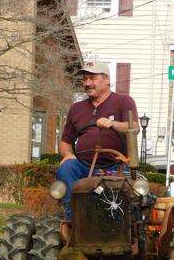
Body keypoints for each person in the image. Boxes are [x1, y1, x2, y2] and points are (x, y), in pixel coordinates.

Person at [57, 62, 138, 221]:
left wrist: (113, 123)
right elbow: (66, 140)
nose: (87, 83)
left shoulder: (124, 101)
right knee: (66, 168)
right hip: (83, 166)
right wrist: (67, 154)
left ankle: (120, 226)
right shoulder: (76, 108)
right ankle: (73, 219)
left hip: (116, 166)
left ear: (106, 79)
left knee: (122, 200)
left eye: (92, 78)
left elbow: (134, 127)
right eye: (85, 79)